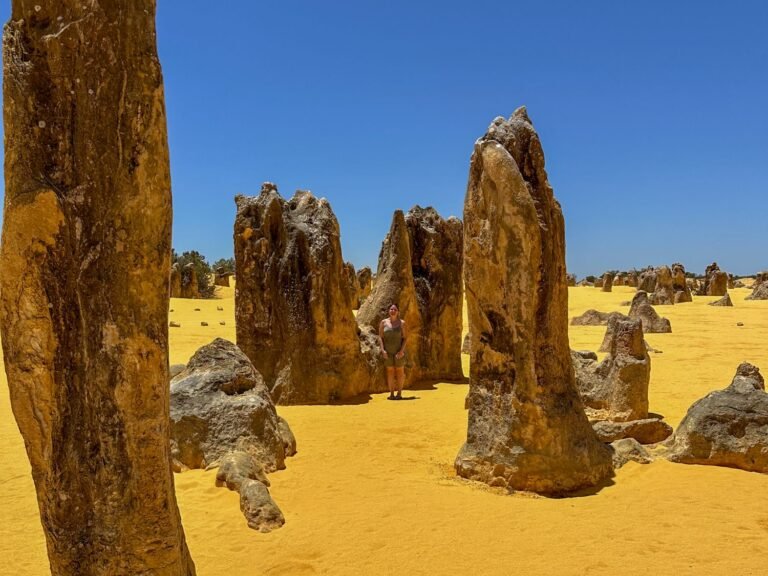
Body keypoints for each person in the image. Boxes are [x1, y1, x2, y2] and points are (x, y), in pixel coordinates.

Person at [378, 303, 407, 400]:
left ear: (398, 312)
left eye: (395, 309)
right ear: (389, 311)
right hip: (388, 352)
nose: (393, 311)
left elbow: (405, 338)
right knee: (390, 372)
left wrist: (402, 351)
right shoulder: (383, 323)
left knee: (400, 372)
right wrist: (383, 350)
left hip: (399, 352)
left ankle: (399, 393)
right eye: (391, 309)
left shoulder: (402, 323)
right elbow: (380, 337)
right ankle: (391, 394)